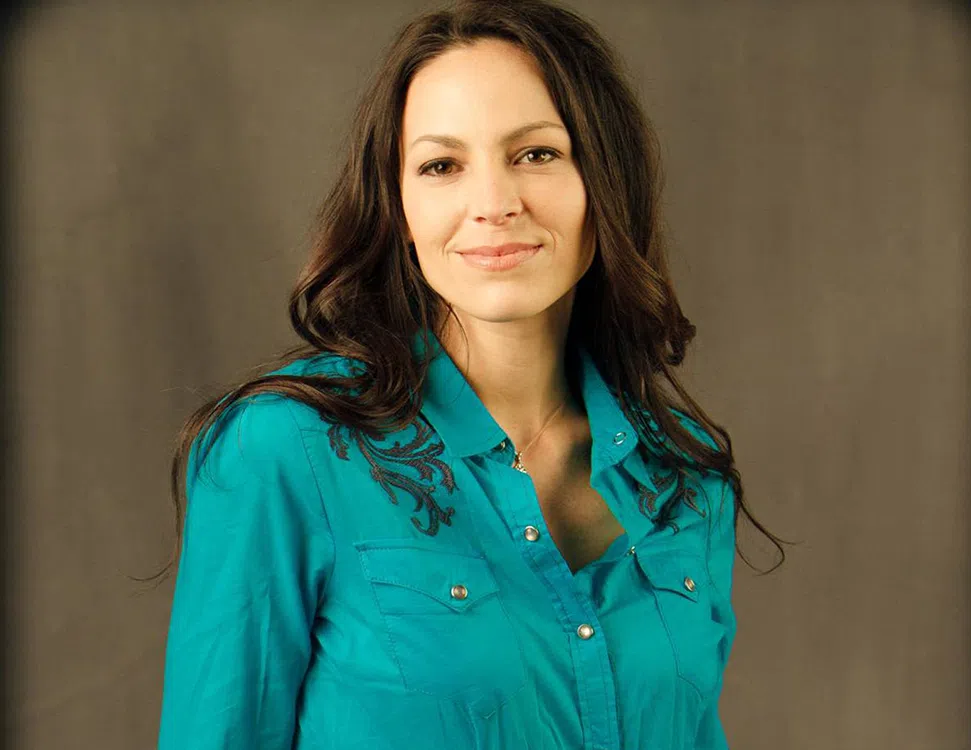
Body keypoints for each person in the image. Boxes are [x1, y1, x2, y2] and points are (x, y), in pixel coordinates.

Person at [154, 0, 784, 747]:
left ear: (605, 180)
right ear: (399, 207)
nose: (493, 204)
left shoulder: (682, 473)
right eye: (442, 166)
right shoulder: (284, 449)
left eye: (537, 154)